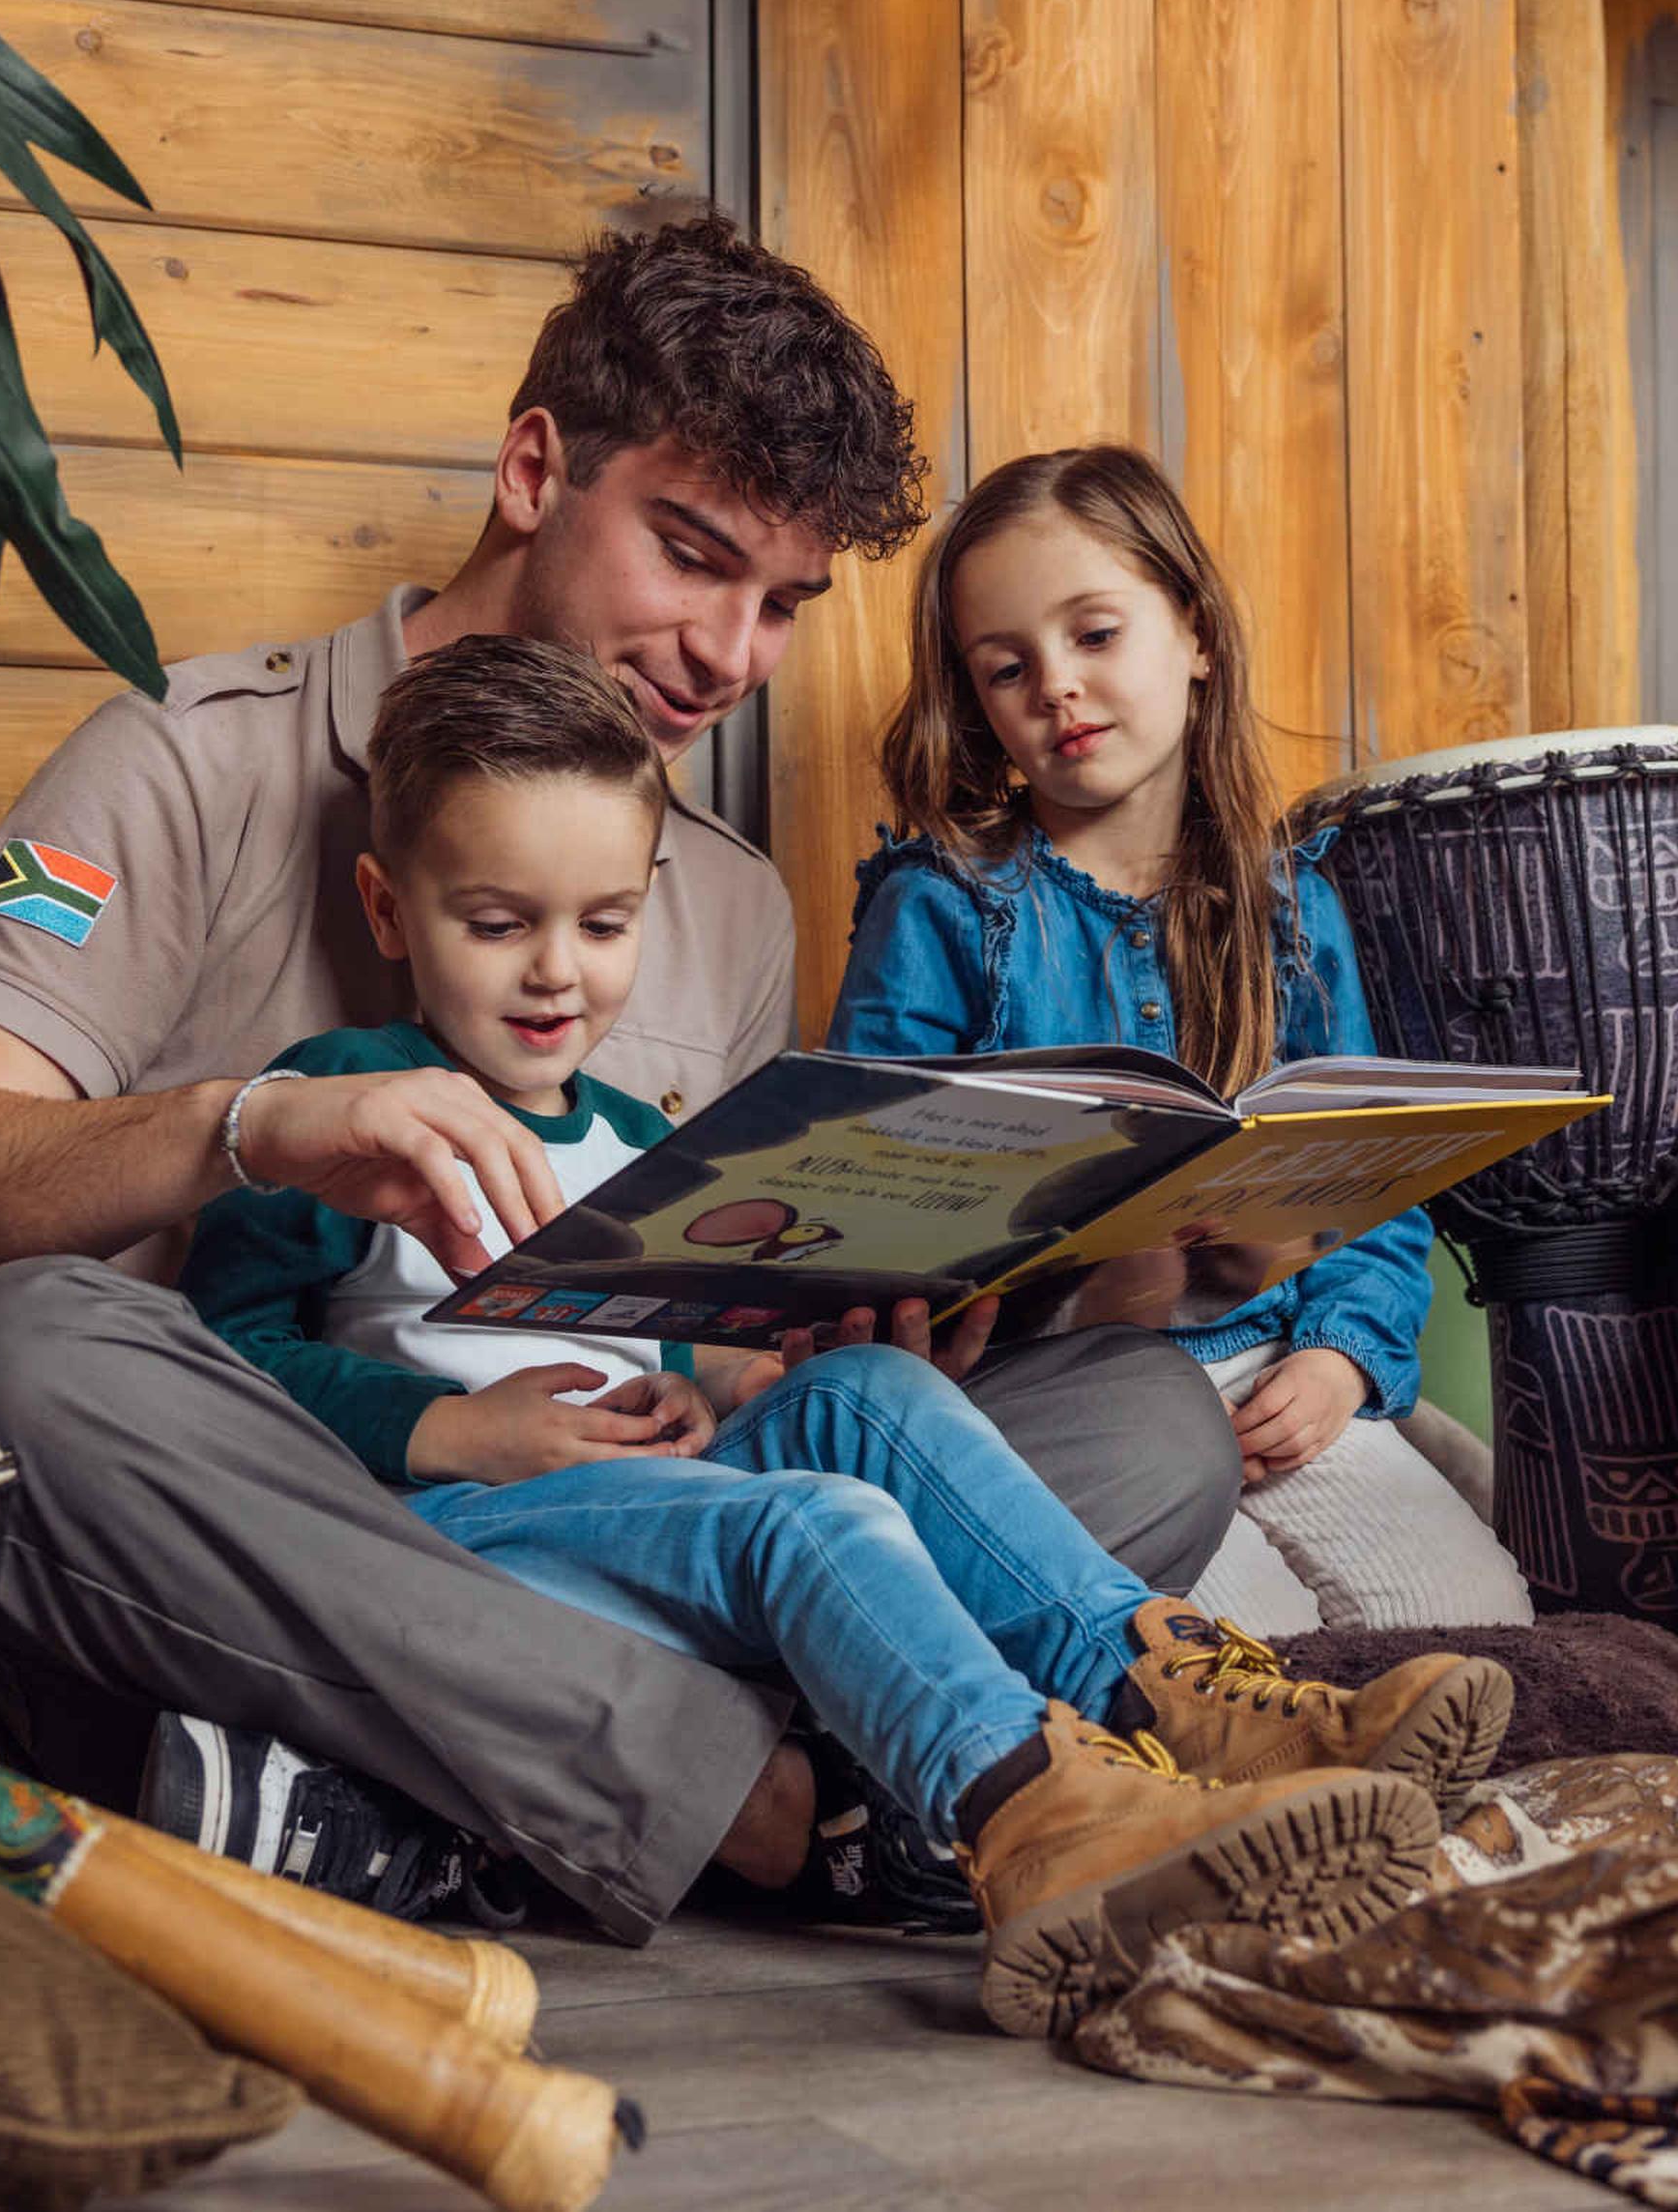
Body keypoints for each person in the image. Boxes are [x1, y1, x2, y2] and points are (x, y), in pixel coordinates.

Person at [0, 218, 1248, 1942]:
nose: (729, 655)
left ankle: (423, 1805)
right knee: (13, 1348)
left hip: (627, 1531)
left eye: (783, 604)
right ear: (533, 464)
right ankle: (775, 1807)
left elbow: (715, 1362)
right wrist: (249, 1126)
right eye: (691, 556)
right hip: (278, 1525)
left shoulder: (714, 895)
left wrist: (909, 1312)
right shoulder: (189, 763)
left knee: (1151, 1419)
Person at [179, 635, 1509, 2033]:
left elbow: (685, 1367)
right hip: (451, 1537)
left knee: (864, 1394)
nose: (556, 973)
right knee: (814, 1517)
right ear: (391, 912)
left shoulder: (644, 1141)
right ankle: (1034, 1817)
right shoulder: (349, 1099)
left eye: (606, 923)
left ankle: (1182, 1696)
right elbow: (219, 1366)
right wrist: (453, 1427)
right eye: (499, 923)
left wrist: (745, 1373)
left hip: (653, 1517)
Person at [827, 445, 1536, 1636]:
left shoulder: (1290, 908)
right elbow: (864, 1187)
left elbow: (1374, 1183)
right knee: (1230, 1656)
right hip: (1063, 1395)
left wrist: (1343, 1361)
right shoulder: (941, 906)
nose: (1055, 686)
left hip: (1276, 1365)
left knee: (1475, 1619)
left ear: (1195, 633)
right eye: (1008, 668)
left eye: (1094, 635)